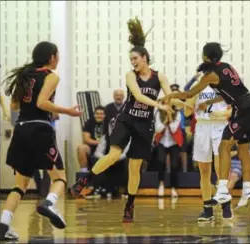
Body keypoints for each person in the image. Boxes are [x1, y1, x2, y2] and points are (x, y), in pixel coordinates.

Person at [70, 17, 181, 223]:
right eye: (131, 59)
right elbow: (138, 96)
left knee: (134, 167)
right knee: (113, 155)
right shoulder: (131, 75)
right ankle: (84, 181)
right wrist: (159, 105)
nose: (133, 62)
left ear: (145, 58)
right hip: (127, 119)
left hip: (144, 125)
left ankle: (130, 205)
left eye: (135, 59)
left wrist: (184, 104)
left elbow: (170, 98)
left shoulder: (160, 77)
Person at [160, 42, 250, 210]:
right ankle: (247, 190)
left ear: (205, 56)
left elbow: (189, 93)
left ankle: (222, 190)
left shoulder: (209, 76)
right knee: (244, 149)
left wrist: (171, 95)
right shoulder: (226, 67)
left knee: (224, 146)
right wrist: (209, 100)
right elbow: (228, 91)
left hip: (243, 109)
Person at [0, 41, 82, 241]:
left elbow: (14, 104)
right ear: (52, 57)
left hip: (21, 130)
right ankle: (49, 204)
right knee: (60, 177)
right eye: (58, 55)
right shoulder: (51, 76)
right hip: (39, 129)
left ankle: (3, 226)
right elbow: (42, 103)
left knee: (20, 186)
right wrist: (68, 112)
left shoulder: (25, 76)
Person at [184, 76, 232, 221]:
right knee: (204, 171)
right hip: (202, 127)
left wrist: (222, 113)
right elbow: (187, 113)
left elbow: (233, 110)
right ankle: (207, 209)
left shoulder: (225, 85)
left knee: (220, 170)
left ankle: (225, 202)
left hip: (220, 125)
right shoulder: (199, 86)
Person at [154, 106, 183, 198]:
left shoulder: (178, 113)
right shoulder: (158, 112)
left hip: (174, 142)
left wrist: (170, 117)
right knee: (160, 162)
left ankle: (173, 188)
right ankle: (161, 185)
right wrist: (166, 120)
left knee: (174, 165)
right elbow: (158, 129)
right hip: (162, 141)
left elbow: (174, 129)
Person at [77, 106, 105, 172]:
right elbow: (86, 139)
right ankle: (84, 172)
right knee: (81, 148)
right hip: (92, 148)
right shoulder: (89, 123)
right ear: (94, 115)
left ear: (105, 115)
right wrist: (100, 142)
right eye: (97, 114)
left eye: (101, 114)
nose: (99, 115)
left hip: (106, 148)